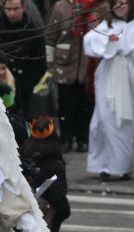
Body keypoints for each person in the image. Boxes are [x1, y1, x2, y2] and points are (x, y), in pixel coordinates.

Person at [83, 0, 134, 181]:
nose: (121, 6)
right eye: (117, 3)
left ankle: (122, 166)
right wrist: (109, 42)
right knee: (104, 118)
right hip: (108, 75)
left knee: (126, 120)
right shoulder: (107, 25)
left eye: (124, 3)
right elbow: (89, 42)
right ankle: (104, 165)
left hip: (129, 76)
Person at [45, 0, 94, 153]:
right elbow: (51, 38)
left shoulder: (96, 5)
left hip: (87, 65)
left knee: (84, 105)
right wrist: (50, 66)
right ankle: (65, 139)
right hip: (64, 66)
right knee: (65, 104)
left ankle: (82, 139)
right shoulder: (61, 6)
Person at [0, 0, 47, 118]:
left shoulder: (33, 31)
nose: (12, 13)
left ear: (23, 8)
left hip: (24, 87)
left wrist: (25, 84)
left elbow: (39, 63)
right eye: (8, 9)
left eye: (15, 9)